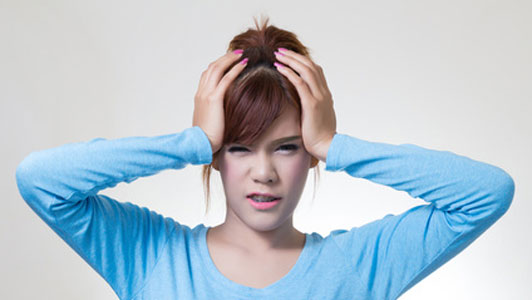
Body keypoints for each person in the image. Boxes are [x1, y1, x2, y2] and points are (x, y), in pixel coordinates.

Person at [15, 17, 514, 300]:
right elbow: (41, 180)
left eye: (288, 146)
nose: (264, 172)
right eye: (238, 146)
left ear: (310, 157)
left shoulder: (358, 266)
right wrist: (191, 140)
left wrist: (335, 145)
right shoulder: (151, 257)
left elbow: (487, 193)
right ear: (215, 156)